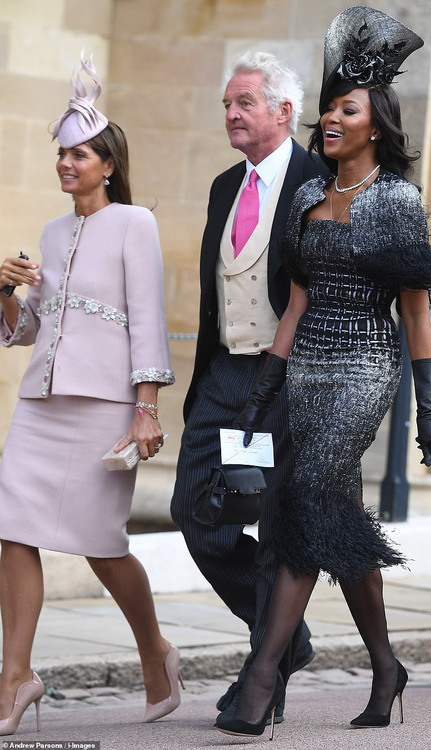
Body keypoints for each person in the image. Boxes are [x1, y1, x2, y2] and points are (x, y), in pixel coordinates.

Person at [216, 6, 431, 739]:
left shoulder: (396, 201)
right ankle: (387, 667)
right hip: (307, 369)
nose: (330, 118)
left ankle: (262, 674)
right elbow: (295, 305)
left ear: (376, 126)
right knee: (339, 514)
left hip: (364, 366)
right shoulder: (306, 197)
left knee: (303, 502)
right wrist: (263, 390)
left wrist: (430, 408)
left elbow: (415, 311)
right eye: (328, 107)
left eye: (347, 109)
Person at [0, 55, 181, 736]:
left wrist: (145, 409)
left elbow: (148, 320)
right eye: (62, 153)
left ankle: (154, 650)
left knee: (102, 545)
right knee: (12, 532)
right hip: (41, 406)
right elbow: (24, 331)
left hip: (106, 407)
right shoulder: (51, 232)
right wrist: (4, 287)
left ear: (108, 164)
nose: (65, 163)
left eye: (79, 154)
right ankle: (15, 676)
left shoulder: (135, 223)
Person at [170, 52, 326, 721]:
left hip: (291, 378)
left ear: (284, 111)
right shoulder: (221, 186)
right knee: (195, 512)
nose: (231, 114)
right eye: (227, 105)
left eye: (245, 103)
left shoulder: (320, 182)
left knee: (276, 523)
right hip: (225, 373)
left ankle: (263, 679)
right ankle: (289, 638)